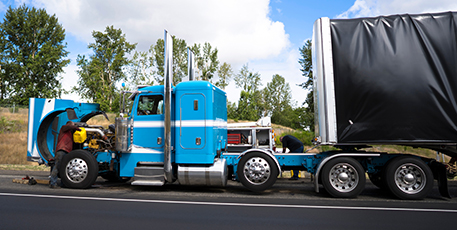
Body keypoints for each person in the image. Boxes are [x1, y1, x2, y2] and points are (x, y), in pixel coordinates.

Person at [49, 121, 80, 188]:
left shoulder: (69, 133)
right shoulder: (63, 128)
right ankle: (52, 183)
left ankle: (63, 183)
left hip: (66, 151)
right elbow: (69, 126)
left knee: (63, 168)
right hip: (62, 150)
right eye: (72, 125)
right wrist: (77, 127)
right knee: (57, 167)